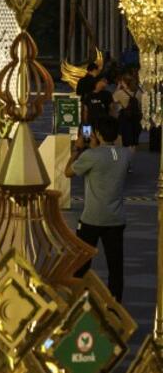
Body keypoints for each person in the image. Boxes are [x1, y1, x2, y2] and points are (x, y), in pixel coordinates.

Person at [66, 116, 130, 301]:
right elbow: (110, 157)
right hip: (116, 219)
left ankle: (76, 302)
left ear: (97, 134)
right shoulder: (125, 154)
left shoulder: (90, 156)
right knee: (115, 268)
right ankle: (115, 307)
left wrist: (78, 149)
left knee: (81, 264)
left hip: (91, 219)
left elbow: (68, 172)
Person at [113, 73, 143, 153]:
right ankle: (133, 154)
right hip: (136, 117)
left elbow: (113, 100)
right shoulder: (138, 92)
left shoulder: (120, 93)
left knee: (126, 138)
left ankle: (127, 157)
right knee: (134, 138)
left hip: (125, 117)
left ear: (124, 83)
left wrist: (118, 87)